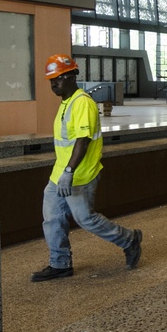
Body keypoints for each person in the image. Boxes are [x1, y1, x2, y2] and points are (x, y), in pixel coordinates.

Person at [32, 54, 142, 281]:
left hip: (79, 175)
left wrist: (69, 173)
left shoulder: (82, 102)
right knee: (52, 217)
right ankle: (60, 263)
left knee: (85, 219)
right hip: (59, 175)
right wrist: (62, 174)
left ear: (72, 76)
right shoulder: (66, 102)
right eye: (52, 80)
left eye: (59, 78)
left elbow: (82, 141)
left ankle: (129, 239)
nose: (54, 84)